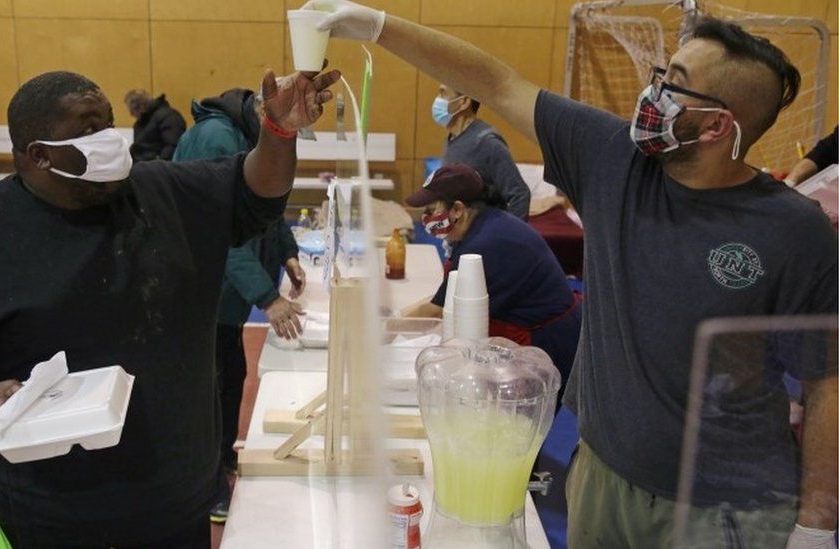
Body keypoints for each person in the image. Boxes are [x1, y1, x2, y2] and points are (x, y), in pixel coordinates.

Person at [310, 2, 838, 547]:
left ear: (717, 125)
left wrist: (817, 524)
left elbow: (828, 382)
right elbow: (497, 81)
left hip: (722, 508)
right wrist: (377, 25)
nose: (651, 94)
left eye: (673, 85)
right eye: (661, 74)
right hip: (602, 479)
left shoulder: (796, 231)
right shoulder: (614, 159)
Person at [0, 67, 339, 547]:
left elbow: (255, 190)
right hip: (37, 519)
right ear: (38, 156)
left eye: (109, 123)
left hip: (169, 508)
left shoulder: (165, 193)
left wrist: (279, 132)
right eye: (89, 130)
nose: (109, 139)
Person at [172, 87, 307, 522]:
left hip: (221, 296)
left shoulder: (249, 137)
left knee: (232, 377)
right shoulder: (217, 139)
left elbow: (264, 206)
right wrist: (268, 299)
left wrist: (286, 250)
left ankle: (223, 464)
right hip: (200, 292)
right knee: (207, 392)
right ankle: (207, 489)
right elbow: (214, 234)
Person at [406, 163, 580, 398]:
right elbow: (444, 298)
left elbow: (437, 309)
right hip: (541, 328)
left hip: (546, 342)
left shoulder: (482, 245)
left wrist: (386, 323)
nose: (426, 217)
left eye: (431, 208)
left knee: (516, 423)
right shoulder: (487, 223)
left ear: (458, 209)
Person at [434, 82, 532, 220]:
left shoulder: (486, 142)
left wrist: (508, 238)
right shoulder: (452, 139)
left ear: (464, 102)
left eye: (443, 93)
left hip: (482, 236)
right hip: (457, 236)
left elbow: (520, 195)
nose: (437, 100)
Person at [124, 89, 187, 162]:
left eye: (132, 111)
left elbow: (172, 146)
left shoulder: (168, 117)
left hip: (157, 168)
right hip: (147, 166)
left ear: (141, 107)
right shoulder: (142, 122)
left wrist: (159, 166)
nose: (131, 115)